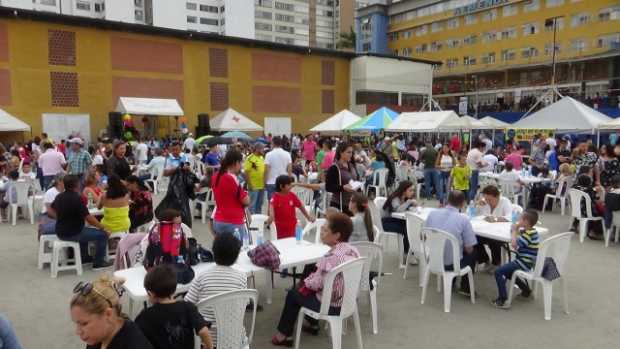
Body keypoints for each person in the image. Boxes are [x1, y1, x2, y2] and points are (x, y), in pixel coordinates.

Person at [271, 212, 360, 346]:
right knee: (310, 269)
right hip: (347, 301)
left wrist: (305, 282)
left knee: (293, 294)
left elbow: (315, 285)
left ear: (336, 236)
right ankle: (312, 324)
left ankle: (283, 335)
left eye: (325, 230)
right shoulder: (353, 251)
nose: (321, 232)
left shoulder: (329, 258)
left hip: (331, 306)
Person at [185, 233, 247, 348]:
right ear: (236, 256)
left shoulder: (202, 277)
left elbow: (187, 305)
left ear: (213, 252)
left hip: (206, 341)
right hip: (234, 340)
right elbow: (243, 304)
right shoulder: (242, 277)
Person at [135, 265, 212, 349]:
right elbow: (204, 331)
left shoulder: (145, 316)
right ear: (174, 290)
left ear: (150, 294)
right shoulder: (188, 307)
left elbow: (135, 341)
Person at [70, 275, 153, 348]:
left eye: (84, 323)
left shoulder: (133, 343)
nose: (78, 331)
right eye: (77, 323)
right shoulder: (98, 336)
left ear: (108, 314)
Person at [50, 175, 112, 269]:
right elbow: (89, 218)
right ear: (77, 185)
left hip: (60, 231)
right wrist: (102, 227)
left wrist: (61, 217)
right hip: (74, 232)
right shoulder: (77, 198)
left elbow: (52, 208)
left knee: (84, 230)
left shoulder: (59, 196)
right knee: (102, 235)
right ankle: (98, 263)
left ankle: (84, 258)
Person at [425, 190, 478, 295]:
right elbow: (469, 249)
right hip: (451, 264)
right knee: (474, 251)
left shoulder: (432, 214)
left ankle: (452, 282)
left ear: (446, 201)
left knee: (454, 247)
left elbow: (423, 236)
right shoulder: (463, 220)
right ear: (463, 204)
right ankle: (465, 286)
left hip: (433, 260)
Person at [492, 210, 540, 309]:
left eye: (520, 219)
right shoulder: (532, 231)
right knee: (509, 272)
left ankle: (503, 299)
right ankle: (526, 290)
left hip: (524, 262)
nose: (518, 220)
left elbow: (514, 245)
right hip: (528, 261)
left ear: (526, 222)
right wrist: (517, 229)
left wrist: (514, 231)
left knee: (498, 272)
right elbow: (519, 238)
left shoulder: (528, 234)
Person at [211, 150, 250, 235]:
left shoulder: (215, 176)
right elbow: (246, 201)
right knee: (238, 248)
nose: (241, 166)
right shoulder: (232, 178)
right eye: (241, 163)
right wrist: (246, 192)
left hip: (218, 220)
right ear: (236, 163)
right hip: (233, 222)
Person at [474, 185, 513, 271]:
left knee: (493, 240)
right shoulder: (485, 202)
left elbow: (510, 217)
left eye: (490, 199)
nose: (488, 201)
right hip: (486, 230)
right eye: (486, 199)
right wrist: (477, 204)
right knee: (473, 238)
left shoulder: (505, 201)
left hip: (501, 233)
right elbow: (476, 216)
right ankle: (485, 260)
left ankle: (496, 263)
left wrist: (495, 219)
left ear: (498, 196)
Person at [267, 175, 315, 239]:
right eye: (289, 184)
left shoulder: (292, 195)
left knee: (292, 244)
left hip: (292, 227)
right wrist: (269, 219)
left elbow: (301, 206)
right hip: (280, 229)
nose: (291, 186)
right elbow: (271, 209)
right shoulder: (275, 198)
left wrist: (308, 217)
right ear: (281, 186)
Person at [381, 180, 417, 259]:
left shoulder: (404, 198)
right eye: (410, 190)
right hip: (386, 222)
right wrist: (409, 202)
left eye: (413, 190)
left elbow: (403, 209)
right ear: (404, 191)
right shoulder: (395, 197)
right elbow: (398, 210)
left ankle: (409, 251)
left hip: (395, 220)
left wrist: (411, 206)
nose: (412, 192)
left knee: (411, 226)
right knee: (407, 229)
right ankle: (407, 253)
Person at [325, 142, 361, 214]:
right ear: (341, 153)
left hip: (352, 204)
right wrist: (343, 187)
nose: (351, 155)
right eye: (348, 152)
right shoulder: (334, 168)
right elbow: (328, 187)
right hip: (339, 205)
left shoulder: (352, 165)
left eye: (352, 152)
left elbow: (356, 179)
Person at [264, 136, 292, 201]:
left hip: (271, 182)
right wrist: (289, 182)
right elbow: (289, 170)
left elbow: (266, 170)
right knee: (283, 202)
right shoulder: (287, 154)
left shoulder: (268, 154)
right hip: (284, 182)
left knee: (271, 204)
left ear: (273, 143)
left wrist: (264, 182)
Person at [244, 142, 266, 214]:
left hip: (262, 186)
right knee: (252, 206)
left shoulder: (262, 157)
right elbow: (246, 172)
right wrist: (249, 184)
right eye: (262, 149)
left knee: (259, 205)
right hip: (253, 186)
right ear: (257, 149)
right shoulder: (250, 158)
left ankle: (258, 221)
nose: (264, 150)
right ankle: (252, 222)